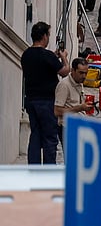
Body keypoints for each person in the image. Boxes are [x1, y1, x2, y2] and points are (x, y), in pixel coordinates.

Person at [21, 21, 69, 164]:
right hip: (47, 101)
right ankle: (48, 170)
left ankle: (34, 168)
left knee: (35, 135)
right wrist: (64, 58)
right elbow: (65, 72)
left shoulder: (26, 54)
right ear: (44, 36)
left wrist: (53, 56)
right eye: (48, 35)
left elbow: (40, 64)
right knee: (49, 138)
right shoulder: (47, 56)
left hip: (31, 100)